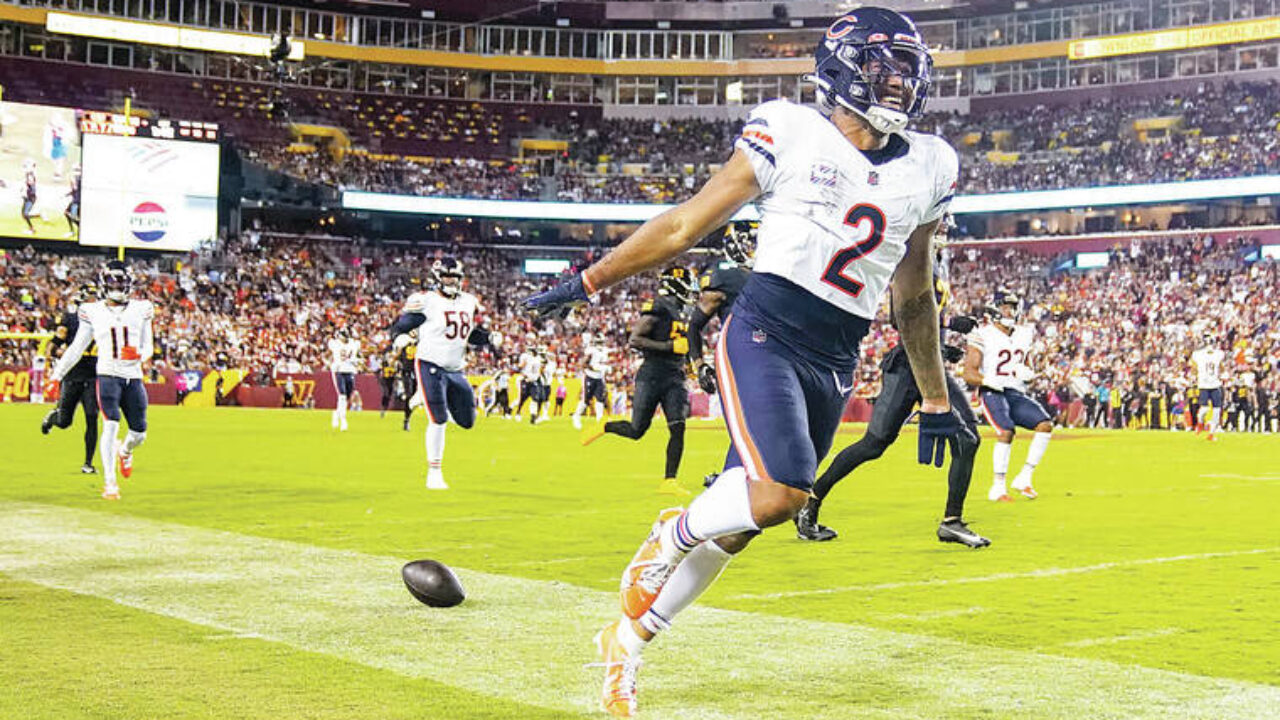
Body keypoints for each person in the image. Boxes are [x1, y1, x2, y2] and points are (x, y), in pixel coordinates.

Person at [522, 9, 961, 716]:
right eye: (886, 70)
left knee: (743, 522)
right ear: (844, 68)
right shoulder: (789, 128)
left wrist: (936, 398)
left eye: (910, 73)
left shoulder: (931, 164)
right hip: (766, 330)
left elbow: (914, 293)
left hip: (836, 355)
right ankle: (670, 532)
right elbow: (684, 224)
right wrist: (589, 281)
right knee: (782, 492)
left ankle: (625, 645)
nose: (901, 87)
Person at [798, 238, 988, 547]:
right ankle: (812, 498)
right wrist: (948, 328)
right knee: (874, 443)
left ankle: (952, 522)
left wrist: (943, 342)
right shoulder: (912, 264)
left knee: (968, 440)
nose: (941, 236)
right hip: (908, 366)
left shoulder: (933, 269)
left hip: (929, 364)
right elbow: (902, 318)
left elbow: (925, 321)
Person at [582, 266, 698, 498]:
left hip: (675, 377)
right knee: (636, 431)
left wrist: (688, 365)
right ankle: (606, 426)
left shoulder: (682, 310)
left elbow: (682, 344)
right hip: (652, 374)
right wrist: (669, 347)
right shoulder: (658, 306)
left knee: (678, 427)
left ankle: (669, 480)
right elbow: (635, 340)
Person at [47, 261, 155, 500]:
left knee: (140, 433)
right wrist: (57, 375)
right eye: (113, 281)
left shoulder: (142, 308)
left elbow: (149, 346)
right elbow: (76, 348)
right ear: (105, 283)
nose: (117, 285)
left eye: (121, 281)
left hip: (133, 376)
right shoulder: (92, 311)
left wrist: (139, 355)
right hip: (106, 375)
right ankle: (110, 483)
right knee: (110, 424)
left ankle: (125, 451)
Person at [389, 256, 485, 490]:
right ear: (437, 278)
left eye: (455, 277)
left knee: (467, 421)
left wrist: (489, 339)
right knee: (439, 419)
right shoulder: (426, 301)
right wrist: (400, 337)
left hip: (456, 368)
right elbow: (400, 326)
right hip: (430, 364)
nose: (451, 281)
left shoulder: (469, 301)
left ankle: (428, 399)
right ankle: (434, 472)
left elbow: (472, 334)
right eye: (447, 276)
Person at [962, 290, 1053, 502]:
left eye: (1013, 307)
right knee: (1006, 431)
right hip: (993, 391)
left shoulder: (1024, 333)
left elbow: (1026, 365)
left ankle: (1025, 477)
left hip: (1014, 390)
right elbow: (969, 373)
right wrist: (987, 380)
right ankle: (998, 487)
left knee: (1045, 425)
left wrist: (1029, 373)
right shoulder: (982, 334)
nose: (1010, 311)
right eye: (1006, 307)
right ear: (994, 309)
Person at [686, 223, 754, 395]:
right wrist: (699, 365)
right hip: (743, 353)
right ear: (735, 245)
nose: (756, 248)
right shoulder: (724, 273)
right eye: (751, 243)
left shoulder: (768, 271)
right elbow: (694, 325)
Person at [40, 282, 101, 474]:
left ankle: (88, 463)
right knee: (65, 421)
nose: (94, 301)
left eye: (95, 297)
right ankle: (53, 418)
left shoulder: (104, 319)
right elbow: (56, 341)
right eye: (90, 297)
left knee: (92, 417)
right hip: (73, 375)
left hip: (92, 375)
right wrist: (52, 357)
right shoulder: (70, 318)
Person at [1189, 335, 1226, 440]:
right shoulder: (1199, 355)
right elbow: (1194, 368)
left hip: (1215, 384)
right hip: (1204, 385)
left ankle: (1211, 434)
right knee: (1204, 408)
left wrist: (1218, 374)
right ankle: (1200, 423)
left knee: (1216, 410)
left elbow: (1221, 367)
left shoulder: (1217, 354)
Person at [572, 334, 611, 429]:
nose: (600, 344)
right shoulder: (591, 351)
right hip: (590, 376)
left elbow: (604, 364)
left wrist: (606, 369)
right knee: (586, 400)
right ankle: (576, 416)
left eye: (601, 342)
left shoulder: (605, 351)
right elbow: (583, 364)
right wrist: (593, 368)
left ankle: (599, 421)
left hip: (599, 378)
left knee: (600, 399)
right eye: (598, 342)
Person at [328, 327, 360, 431]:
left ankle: (336, 414)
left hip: (350, 370)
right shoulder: (335, 343)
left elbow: (354, 356)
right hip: (339, 371)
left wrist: (357, 361)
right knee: (342, 396)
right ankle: (343, 420)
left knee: (347, 397)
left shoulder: (353, 344)